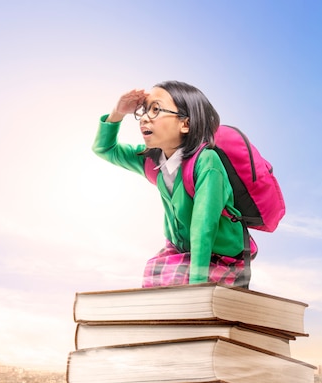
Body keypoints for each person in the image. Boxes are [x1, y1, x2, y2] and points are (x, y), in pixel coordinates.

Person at [92, 80, 256, 288]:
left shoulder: (207, 162)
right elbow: (104, 149)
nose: (143, 117)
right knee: (154, 275)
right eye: (143, 110)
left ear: (185, 124)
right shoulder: (151, 161)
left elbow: (204, 228)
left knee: (176, 281)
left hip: (221, 255)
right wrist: (118, 112)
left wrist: (197, 289)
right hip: (181, 250)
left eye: (155, 109)